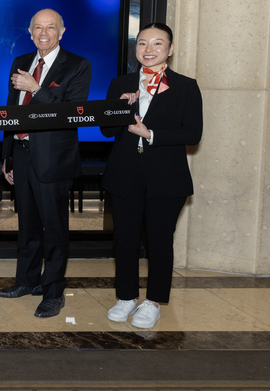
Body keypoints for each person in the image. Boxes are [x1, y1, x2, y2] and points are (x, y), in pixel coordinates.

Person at [101, 23, 202, 329]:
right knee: (125, 239)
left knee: (159, 241)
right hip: (125, 174)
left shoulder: (185, 86)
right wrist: (120, 108)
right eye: (143, 43)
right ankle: (126, 296)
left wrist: (151, 134)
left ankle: (154, 301)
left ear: (170, 49)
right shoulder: (121, 82)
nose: (149, 49)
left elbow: (193, 134)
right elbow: (106, 129)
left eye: (158, 43)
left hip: (166, 177)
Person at [0, 8, 91, 318]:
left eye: (51, 27)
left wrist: (35, 89)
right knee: (27, 226)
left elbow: (71, 113)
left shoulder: (78, 66)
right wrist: (8, 155)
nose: (44, 33)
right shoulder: (21, 61)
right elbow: (11, 111)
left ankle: (53, 292)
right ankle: (26, 281)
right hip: (21, 154)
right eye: (38, 27)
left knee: (54, 230)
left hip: (54, 158)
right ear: (30, 32)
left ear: (62, 32)